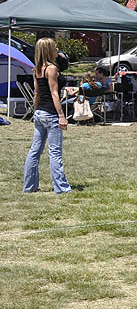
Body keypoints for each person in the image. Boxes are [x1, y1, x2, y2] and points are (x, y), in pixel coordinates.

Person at [24, 38, 72, 194]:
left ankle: (29, 187)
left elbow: (36, 94)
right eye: (54, 46)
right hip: (51, 114)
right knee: (55, 152)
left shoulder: (37, 68)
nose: (57, 47)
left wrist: (35, 112)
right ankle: (62, 188)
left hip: (40, 113)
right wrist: (61, 116)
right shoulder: (51, 68)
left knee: (34, 151)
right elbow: (54, 94)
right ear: (48, 49)